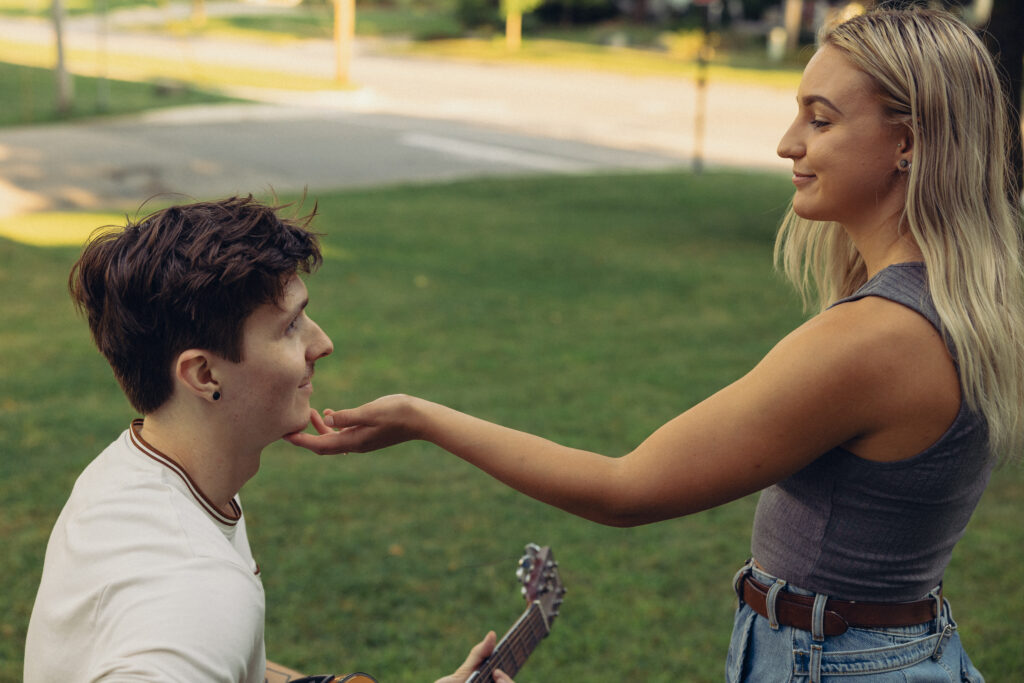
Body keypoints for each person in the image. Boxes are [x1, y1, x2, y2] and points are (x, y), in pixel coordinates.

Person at [286, 7, 1024, 682]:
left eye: (821, 120)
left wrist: (421, 417)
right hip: (904, 649)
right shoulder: (963, 300)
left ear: (907, 141)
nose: (787, 143)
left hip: (837, 663)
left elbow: (626, 490)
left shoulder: (876, 337)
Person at [24, 196, 513, 683]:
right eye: (290, 326)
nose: (322, 344)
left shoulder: (135, 471)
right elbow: (188, 632)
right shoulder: (194, 588)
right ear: (204, 373)